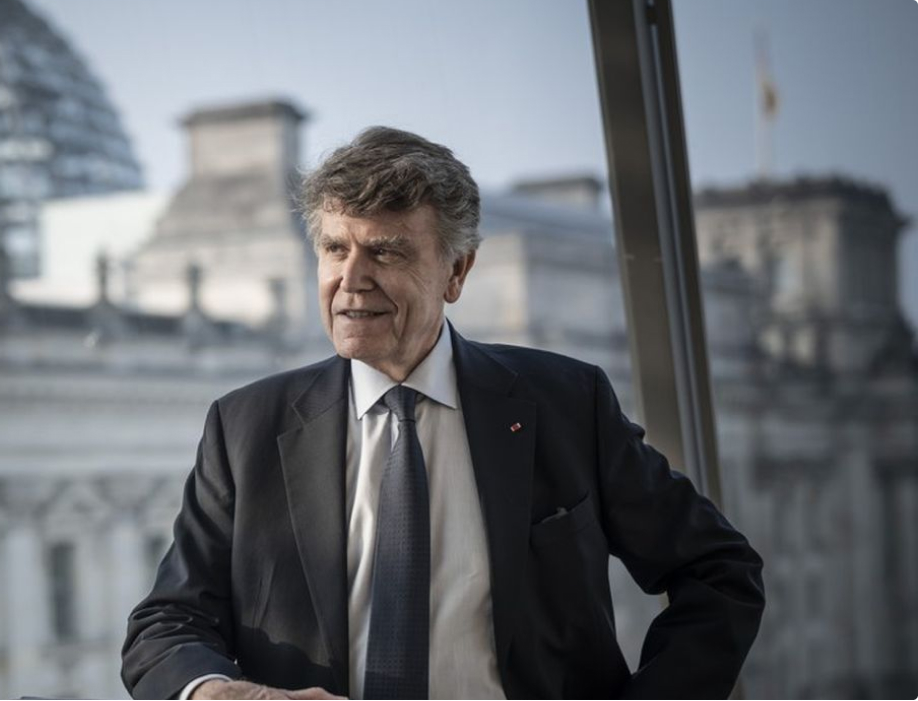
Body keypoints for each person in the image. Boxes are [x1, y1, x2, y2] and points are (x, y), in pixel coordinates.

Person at [121, 127, 764, 700]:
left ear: (457, 271)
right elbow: (165, 624)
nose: (352, 279)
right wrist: (217, 694)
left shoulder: (568, 404)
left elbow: (719, 571)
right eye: (335, 248)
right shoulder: (245, 427)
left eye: (387, 251)